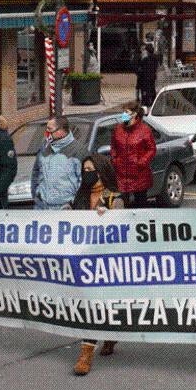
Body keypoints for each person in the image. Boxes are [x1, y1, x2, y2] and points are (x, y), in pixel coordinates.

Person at [72, 155, 122, 375]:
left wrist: (108, 217)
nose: (86, 173)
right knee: (89, 305)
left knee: (101, 304)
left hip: (107, 261)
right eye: (84, 169)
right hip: (85, 259)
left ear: (101, 171)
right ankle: (93, 346)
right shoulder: (80, 195)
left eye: (91, 169)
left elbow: (122, 229)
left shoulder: (114, 198)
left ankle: (92, 349)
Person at [32, 116, 85, 210]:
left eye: (49, 129)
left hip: (66, 209)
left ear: (60, 131)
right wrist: (36, 196)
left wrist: (74, 204)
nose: (46, 133)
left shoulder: (79, 151)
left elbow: (83, 181)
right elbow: (36, 173)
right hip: (42, 208)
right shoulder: (44, 148)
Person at [111, 102, 156, 207]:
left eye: (126, 112)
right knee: (122, 204)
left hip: (139, 174)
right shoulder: (118, 129)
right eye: (123, 112)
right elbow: (113, 147)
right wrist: (115, 160)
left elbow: (151, 149)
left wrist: (141, 162)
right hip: (121, 174)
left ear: (134, 114)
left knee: (140, 204)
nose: (123, 114)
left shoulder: (144, 130)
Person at [135, 43, 157, 108]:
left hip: (145, 77)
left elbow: (140, 68)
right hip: (152, 77)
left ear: (147, 51)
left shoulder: (145, 59)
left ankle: (146, 102)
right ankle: (153, 101)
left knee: (146, 90)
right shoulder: (155, 58)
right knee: (152, 89)